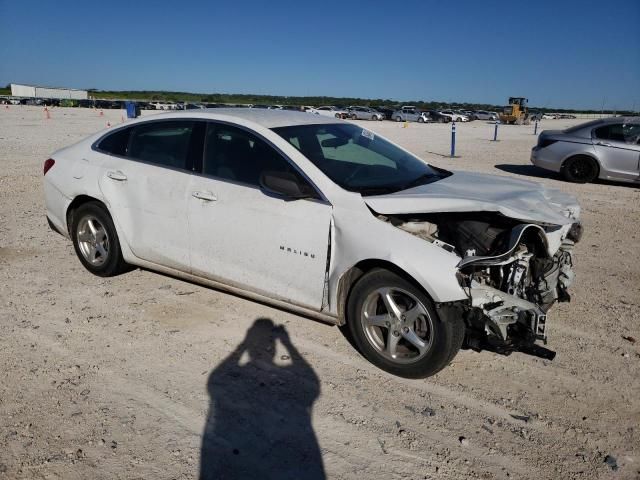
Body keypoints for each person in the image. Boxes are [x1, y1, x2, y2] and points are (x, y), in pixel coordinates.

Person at [200, 318, 324, 480]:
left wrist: (243, 344)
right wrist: (287, 344)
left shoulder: (240, 378)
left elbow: (215, 380)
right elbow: (311, 383)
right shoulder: (284, 377)